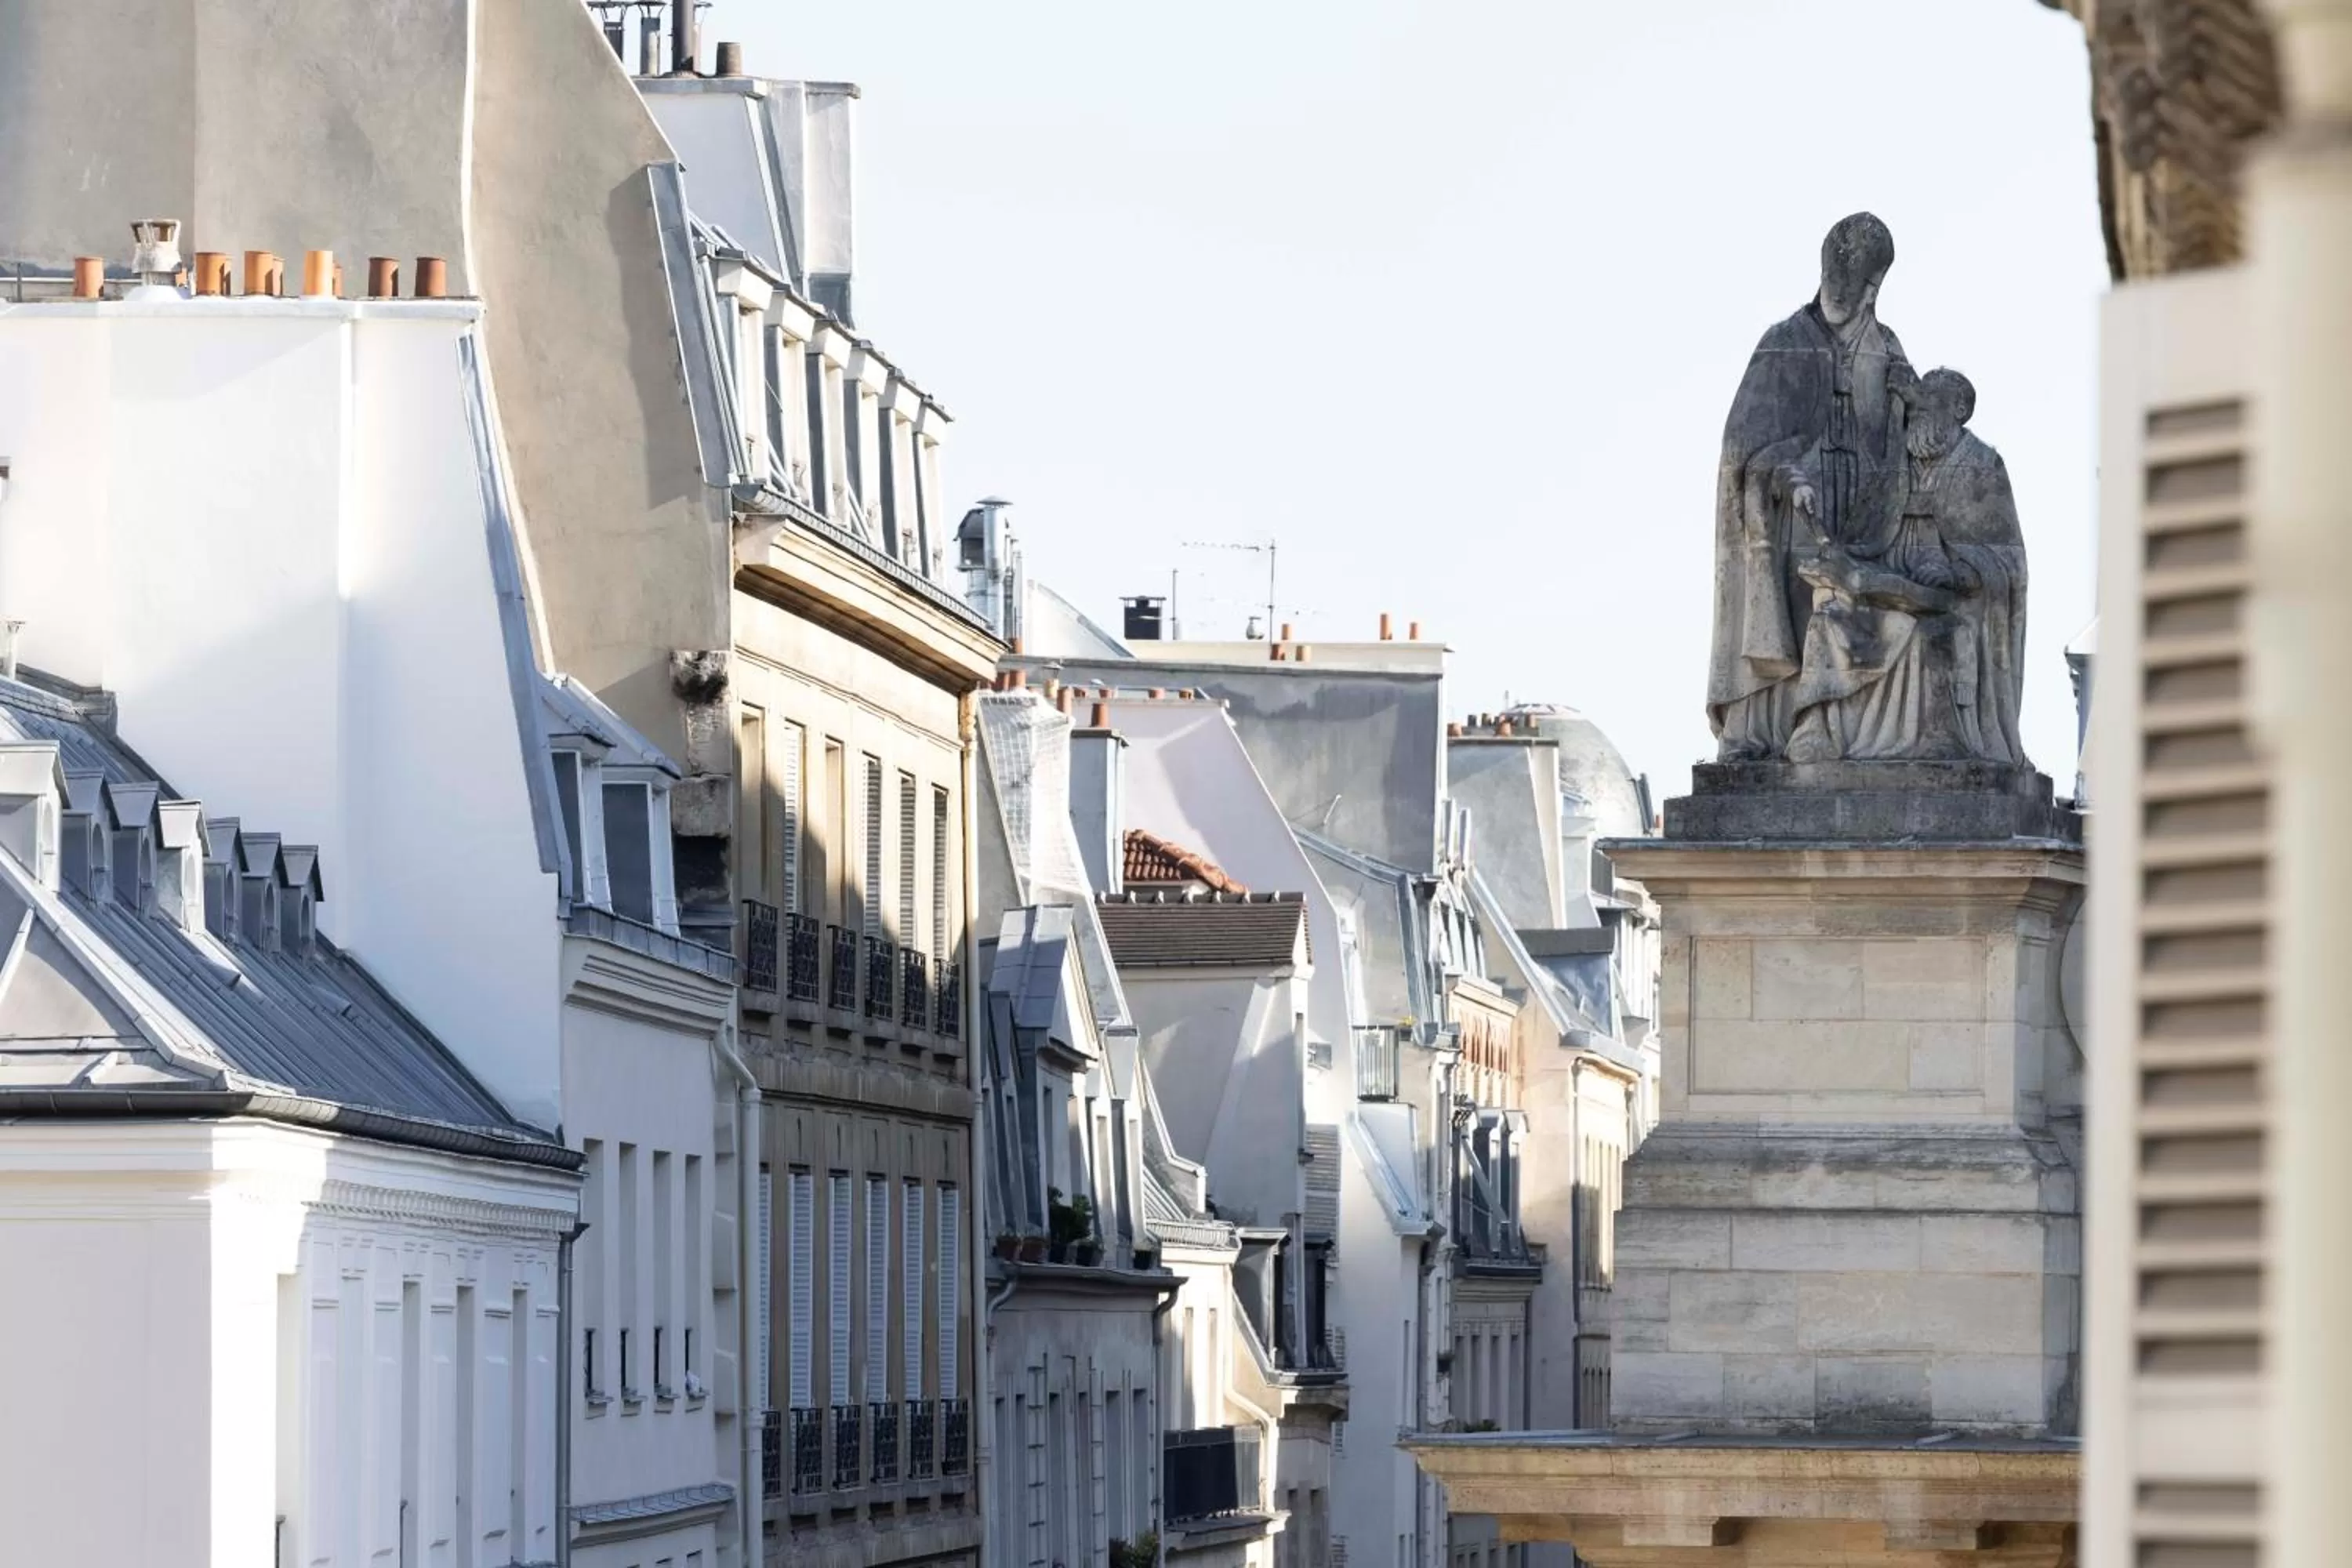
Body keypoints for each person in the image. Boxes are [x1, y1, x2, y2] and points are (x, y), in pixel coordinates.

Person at [1708, 212, 1915, 761]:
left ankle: (1838, 728)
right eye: (1836, 280)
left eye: (1856, 284)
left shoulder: (1887, 347)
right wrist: (1786, 473)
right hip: (1793, 515)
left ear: (1875, 286)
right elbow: (1743, 447)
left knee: (1853, 606)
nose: (1843, 294)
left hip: (1866, 513)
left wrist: (1907, 399)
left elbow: (1910, 434)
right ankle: (1777, 729)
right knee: (1799, 612)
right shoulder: (1784, 343)